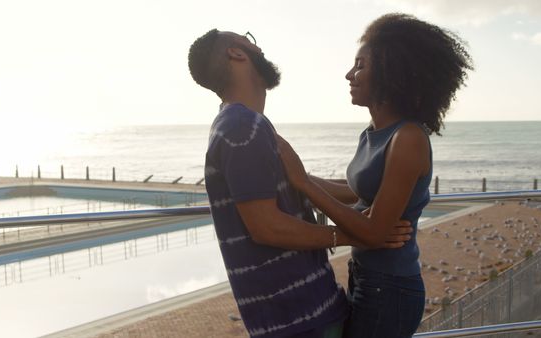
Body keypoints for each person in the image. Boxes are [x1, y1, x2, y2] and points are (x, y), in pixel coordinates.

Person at [187, 29, 412, 338]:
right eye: (248, 38)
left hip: (306, 312)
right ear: (236, 53)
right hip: (298, 319)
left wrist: (387, 194)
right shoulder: (242, 126)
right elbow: (268, 226)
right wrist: (357, 235)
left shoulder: (245, 124)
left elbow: (295, 182)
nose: (258, 46)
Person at [276, 13, 473, 337]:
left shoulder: (407, 138)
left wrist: (303, 183)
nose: (348, 75)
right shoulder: (375, 132)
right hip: (367, 276)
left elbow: (373, 233)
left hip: (390, 289)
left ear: (389, 72)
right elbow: (357, 193)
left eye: (360, 65)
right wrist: (295, 176)